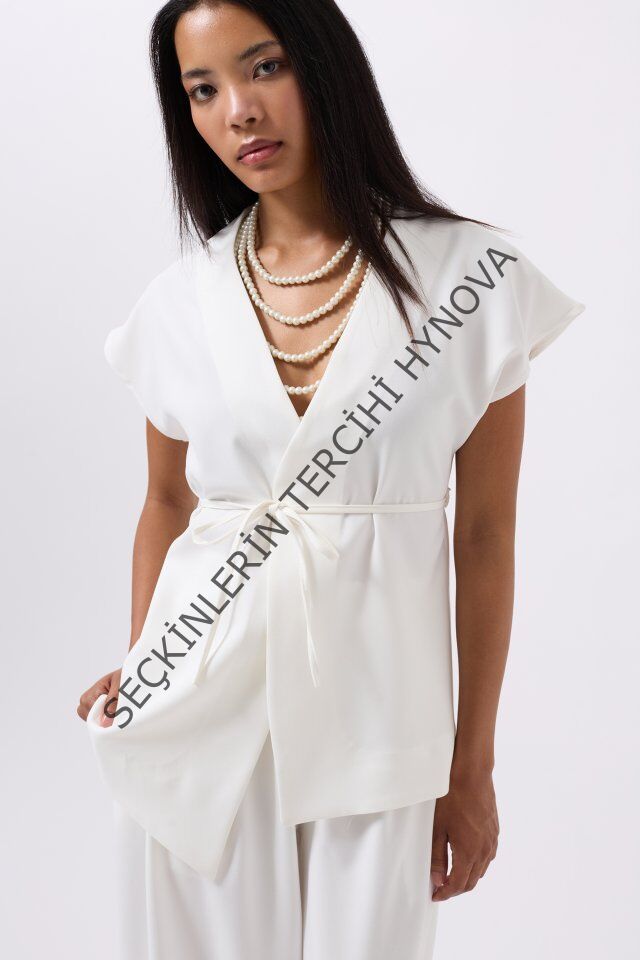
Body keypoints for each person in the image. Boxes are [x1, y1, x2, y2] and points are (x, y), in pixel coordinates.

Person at [77, 1, 585, 958]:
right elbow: (168, 502)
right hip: (197, 715)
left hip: (383, 718)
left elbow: (483, 536)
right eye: (202, 89)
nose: (238, 109)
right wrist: (146, 659)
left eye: (264, 67)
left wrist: (471, 766)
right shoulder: (181, 300)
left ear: (326, 68)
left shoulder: (472, 280)